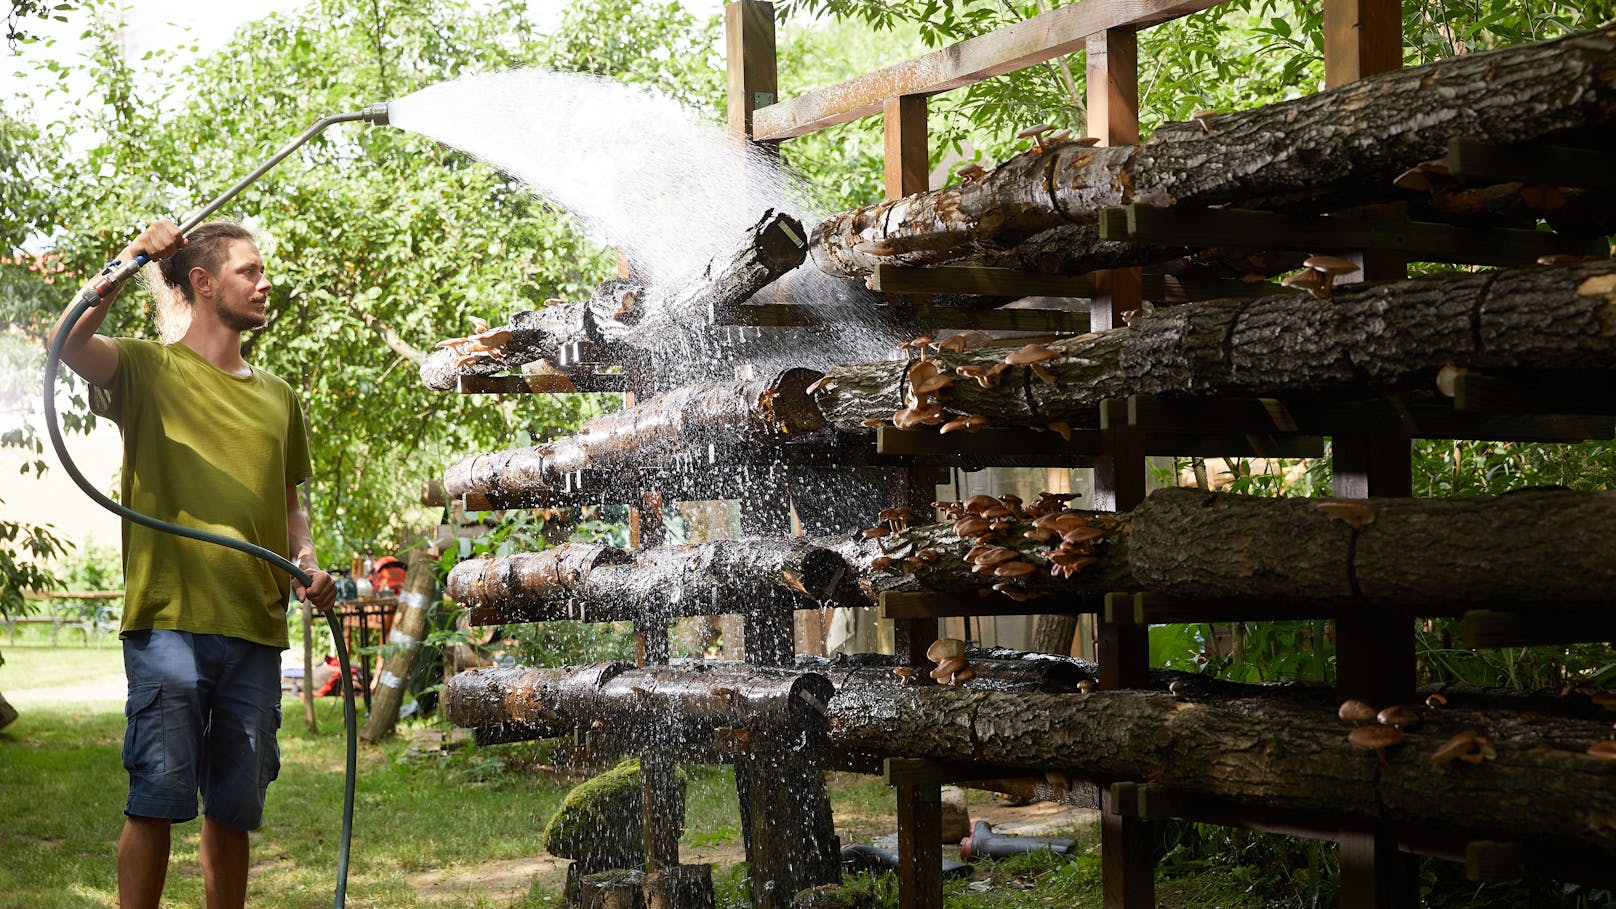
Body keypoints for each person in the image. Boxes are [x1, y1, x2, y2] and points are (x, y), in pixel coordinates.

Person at [47, 218, 337, 909]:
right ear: (203, 284)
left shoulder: (279, 396)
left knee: (234, 810)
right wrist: (129, 260)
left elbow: (291, 503)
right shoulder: (148, 369)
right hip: (168, 624)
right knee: (156, 797)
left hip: (256, 629)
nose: (266, 284)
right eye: (249, 271)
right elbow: (66, 345)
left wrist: (307, 560)